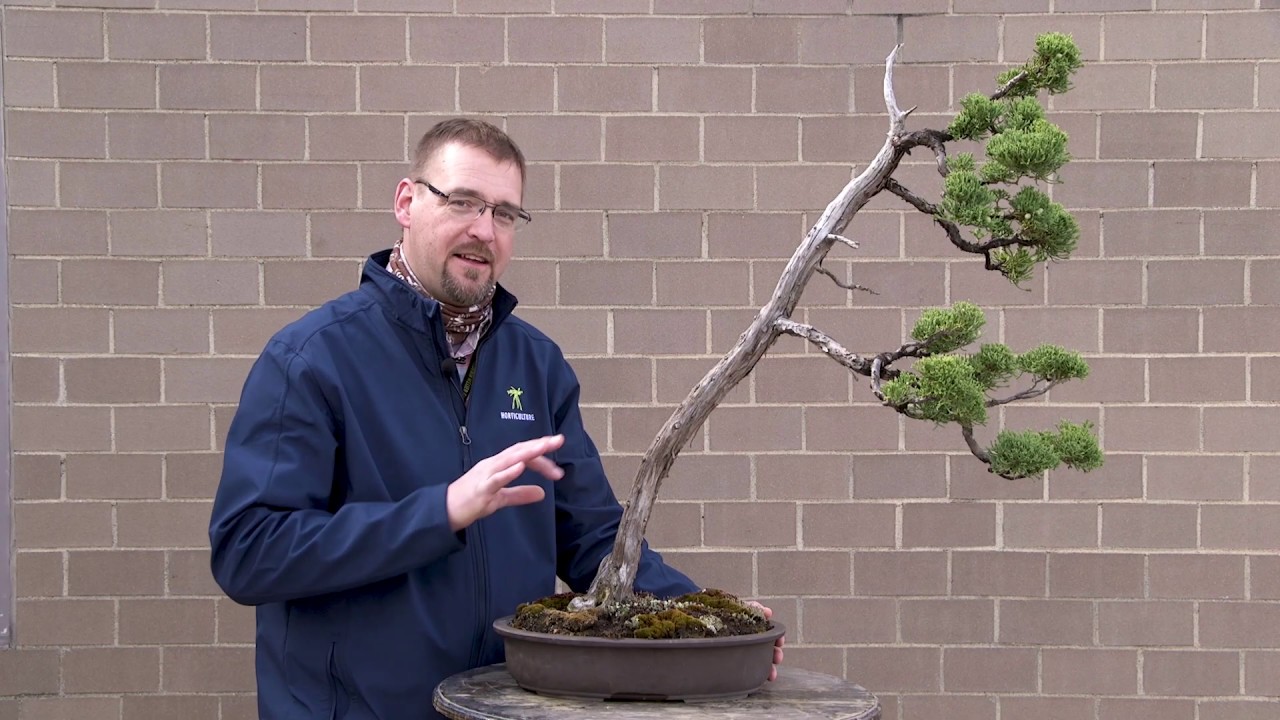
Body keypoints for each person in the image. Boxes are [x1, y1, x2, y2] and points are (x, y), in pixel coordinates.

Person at [209, 118, 781, 720]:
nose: (483, 230)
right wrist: (441, 511)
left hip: (501, 710)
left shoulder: (535, 365)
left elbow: (592, 540)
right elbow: (249, 553)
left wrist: (710, 617)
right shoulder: (313, 359)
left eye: (505, 213)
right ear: (407, 202)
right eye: (462, 202)